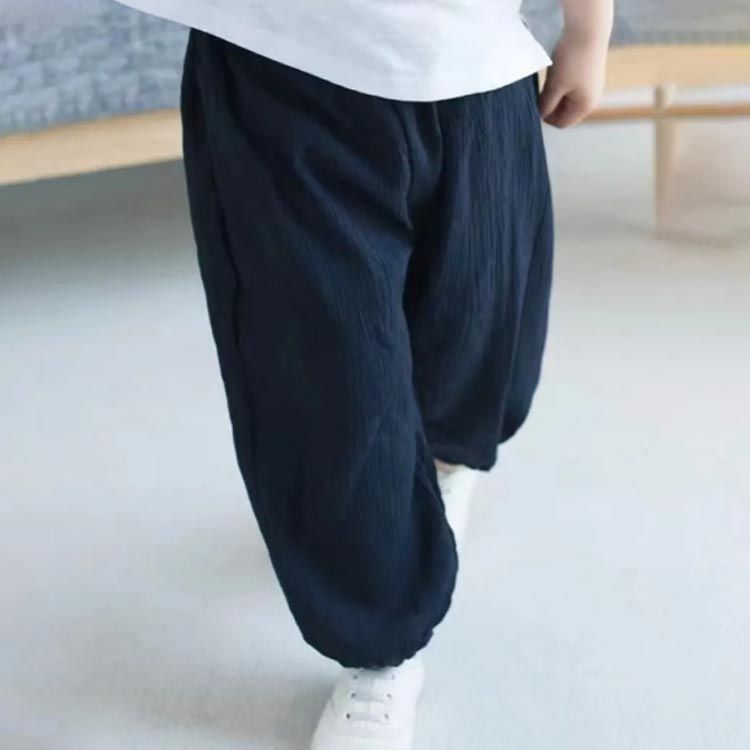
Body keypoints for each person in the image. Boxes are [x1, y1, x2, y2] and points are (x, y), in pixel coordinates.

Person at [117, 0, 613, 746]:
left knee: (479, 321)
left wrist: (589, 30)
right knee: (326, 379)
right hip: (283, 56)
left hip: (478, 58)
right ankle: (380, 648)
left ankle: (439, 465)